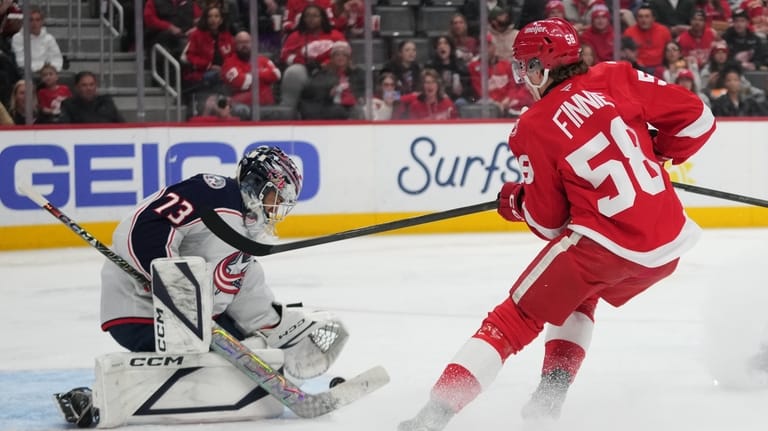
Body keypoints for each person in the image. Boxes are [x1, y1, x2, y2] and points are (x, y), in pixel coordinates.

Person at [398, 17, 716, 431]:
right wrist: (659, 151)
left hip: (606, 247)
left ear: (541, 67)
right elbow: (699, 120)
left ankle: (429, 418)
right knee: (578, 297)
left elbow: (549, 224)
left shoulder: (533, 125)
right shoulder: (616, 75)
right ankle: (548, 401)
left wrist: (517, 202)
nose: (522, 76)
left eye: (525, 65)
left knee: (511, 320)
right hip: (669, 244)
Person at [10, 5, 63, 73]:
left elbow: (57, 59)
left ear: (42, 22)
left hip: (47, 73)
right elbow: (21, 62)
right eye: (31, 20)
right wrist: (42, 69)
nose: (34, 23)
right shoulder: (17, 38)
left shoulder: (49, 38)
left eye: (37, 20)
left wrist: (50, 70)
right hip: (26, 74)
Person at [58, 71, 124, 123]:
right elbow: (64, 130)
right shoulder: (68, 105)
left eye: (91, 84)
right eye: (84, 85)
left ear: (96, 86)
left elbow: (122, 125)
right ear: (76, 88)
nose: (89, 88)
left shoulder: (106, 102)